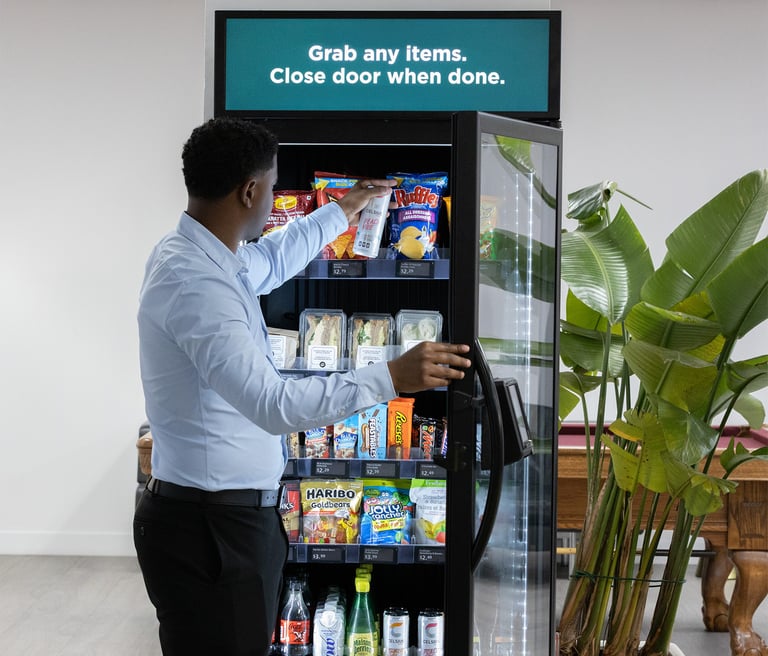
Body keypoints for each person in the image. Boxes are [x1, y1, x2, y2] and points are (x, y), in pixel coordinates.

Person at [133, 116, 471, 656]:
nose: (271, 201)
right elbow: (272, 404)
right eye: (269, 187)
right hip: (210, 531)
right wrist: (390, 376)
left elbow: (271, 258)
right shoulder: (195, 283)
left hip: (225, 520)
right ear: (249, 191)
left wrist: (342, 210)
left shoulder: (210, 256)